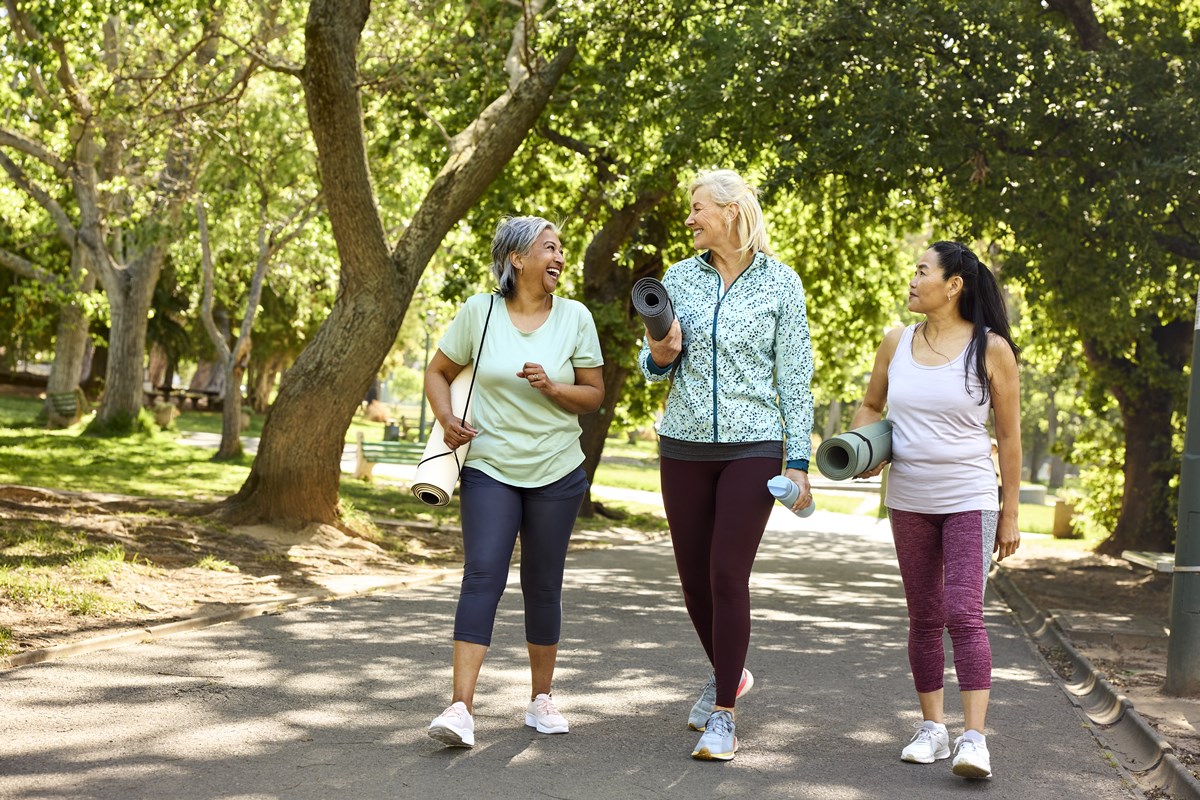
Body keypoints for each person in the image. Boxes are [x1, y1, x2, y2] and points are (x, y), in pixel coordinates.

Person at [639, 169, 814, 761]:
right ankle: (730, 673)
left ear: (732, 210)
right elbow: (653, 364)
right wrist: (659, 353)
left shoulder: (780, 283)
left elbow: (794, 375)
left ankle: (723, 714)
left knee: (725, 574)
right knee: (693, 582)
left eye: (697, 208)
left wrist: (798, 460)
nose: (689, 219)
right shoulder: (679, 279)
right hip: (683, 446)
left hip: (752, 448)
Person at [424, 216, 604, 748]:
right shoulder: (479, 313)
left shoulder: (575, 317)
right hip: (490, 467)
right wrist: (445, 418)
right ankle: (460, 708)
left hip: (557, 470)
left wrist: (552, 387)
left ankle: (541, 700)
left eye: (562, 249)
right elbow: (437, 372)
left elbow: (593, 395)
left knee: (543, 584)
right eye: (550, 247)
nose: (560, 257)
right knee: (482, 575)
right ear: (517, 258)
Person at [849, 241, 1021, 780]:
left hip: (969, 495)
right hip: (909, 498)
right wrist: (862, 445)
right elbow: (872, 404)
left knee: (964, 613)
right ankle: (932, 728)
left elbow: (1009, 437)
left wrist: (1010, 510)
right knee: (923, 617)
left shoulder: (990, 349)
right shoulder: (896, 341)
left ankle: (975, 739)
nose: (912, 278)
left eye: (923, 271)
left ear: (953, 286)